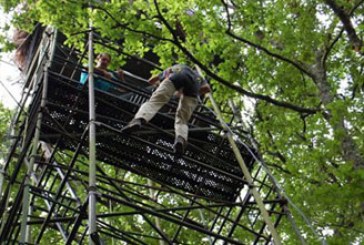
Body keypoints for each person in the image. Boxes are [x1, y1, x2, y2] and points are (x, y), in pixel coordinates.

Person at [123, 64, 211, 155]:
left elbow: (152, 80)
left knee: (154, 103)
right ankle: (180, 139)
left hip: (176, 77)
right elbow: (207, 88)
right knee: (182, 119)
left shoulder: (179, 66)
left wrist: (158, 83)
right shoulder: (200, 77)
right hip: (194, 87)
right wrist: (190, 92)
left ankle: (138, 120)